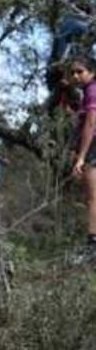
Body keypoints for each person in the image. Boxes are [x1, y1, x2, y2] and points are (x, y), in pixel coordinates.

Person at [68, 55, 96, 265]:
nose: (76, 76)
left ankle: (92, 247)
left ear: (92, 72)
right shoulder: (87, 93)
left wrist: (82, 157)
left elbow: (91, 126)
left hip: (93, 150)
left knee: (93, 198)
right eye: (73, 72)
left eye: (80, 71)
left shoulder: (92, 90)